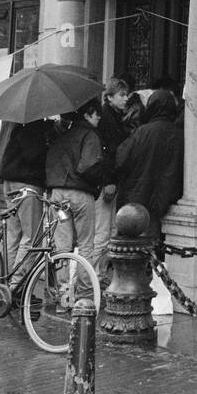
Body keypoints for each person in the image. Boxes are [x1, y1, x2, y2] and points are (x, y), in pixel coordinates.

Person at [45, 99, 105, 303]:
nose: (99, 119)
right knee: (86, 246)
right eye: (97, 114)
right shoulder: (90, 135)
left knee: (62, 246)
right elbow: (87, 167)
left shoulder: (63, 135)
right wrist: (100, 182)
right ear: (88, 114)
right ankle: (84, 295)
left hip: (57, 195)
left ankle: (63, 296)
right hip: (79, 194)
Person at [114, 88, 184, 242]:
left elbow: (121, 160)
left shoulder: (142, 133)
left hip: (136, 196)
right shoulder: (179, 135)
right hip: (166, 197)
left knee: (132, 245)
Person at [0, 118, 52, 267]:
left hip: (10, 181)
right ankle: (17, 283)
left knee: (13, 235)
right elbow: (33, 154)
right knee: (31, 237)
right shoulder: (34, 124)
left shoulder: (16, 122)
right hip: (26, 183)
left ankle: (2, 279)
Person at [93, 78, 133, 283]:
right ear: (109, 97)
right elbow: (106, 152)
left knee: (109, 230)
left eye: (126, 95)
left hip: (111, 181)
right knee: (103, 232)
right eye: (122, 95)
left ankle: (99, 274)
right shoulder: (107, 119)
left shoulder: (115, 117)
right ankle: (94, 276)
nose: (126, 99)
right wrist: (109, 180)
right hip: (106, 182)